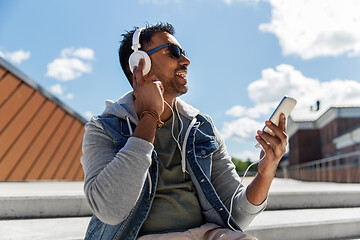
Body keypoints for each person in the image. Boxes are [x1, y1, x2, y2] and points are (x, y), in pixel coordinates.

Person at [80, 22, 287, 240]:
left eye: (184, 53)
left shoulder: (202, 127)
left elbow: (235, 216)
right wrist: (150, 115)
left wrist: (266, 172)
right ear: (139, 63)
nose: (186, 61)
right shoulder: (103, 128)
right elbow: (109, 211)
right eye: (174, 52)